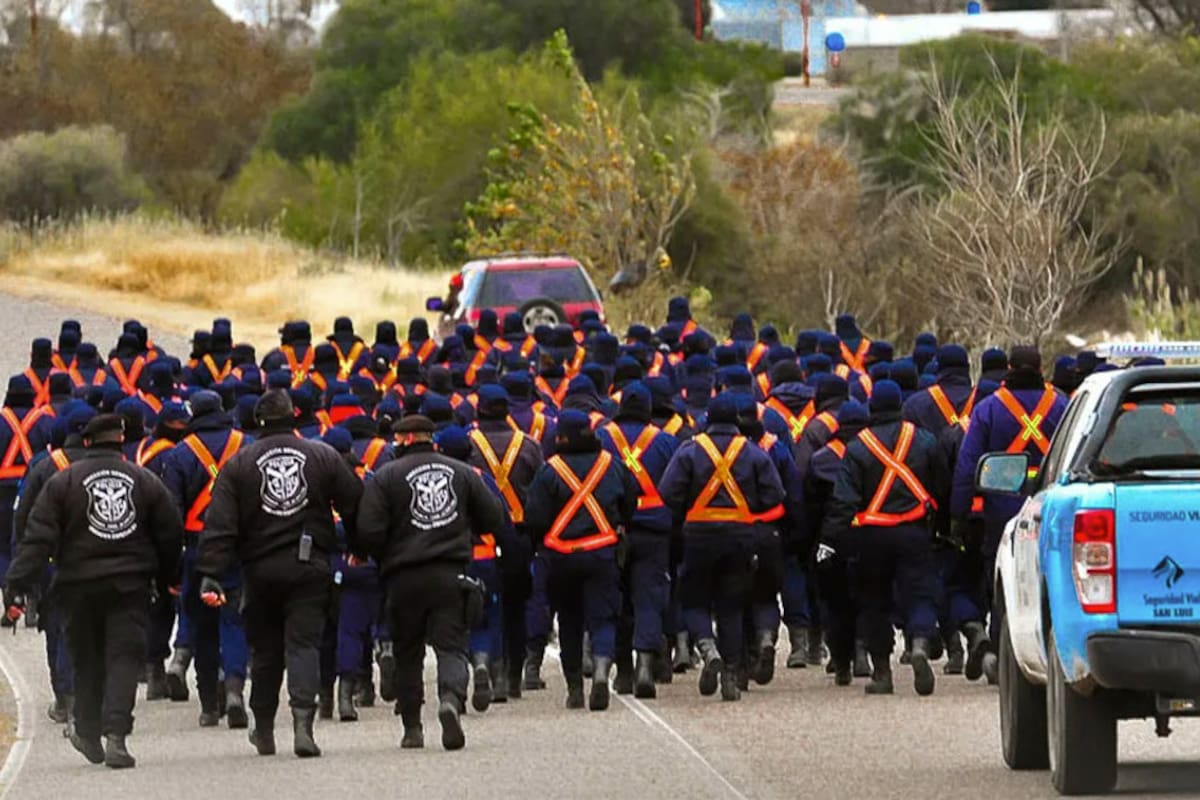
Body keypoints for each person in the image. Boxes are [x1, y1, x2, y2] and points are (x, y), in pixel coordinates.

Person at [5, 414, 184, 769]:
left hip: (77, 586)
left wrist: (17, 586)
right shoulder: (143, 480)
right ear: (121, 441)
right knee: (123, 657)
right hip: (130, 585)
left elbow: (37, 537)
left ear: (87, 443)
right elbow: (170, 532)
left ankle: (87, 730)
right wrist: (167, 578)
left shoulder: (63, 482)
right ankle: (116, 735)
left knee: (86, 660)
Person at [196, 390, 363, 759]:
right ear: (294, 416)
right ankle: (303, 725)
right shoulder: (323, 455)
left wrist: (211, 572)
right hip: (310, 567)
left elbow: (220, 524)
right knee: (303, 645)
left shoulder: (239, 464)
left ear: (257, 423)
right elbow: (355, 503)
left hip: (260, 570)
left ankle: (265, 728)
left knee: (266, 651)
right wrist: (359, 546)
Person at [355, 414, 504, 749]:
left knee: (408, 651)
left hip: (403, 576)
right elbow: (494, 516)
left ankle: (412, 727)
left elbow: (369, 532)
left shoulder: (385, 477)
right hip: (450, 573)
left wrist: (387, 554)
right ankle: (450, 699)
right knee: (451, 646)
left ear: (405, 440)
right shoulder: (463, 472)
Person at [818, 381, 948, 696]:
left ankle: (882, 672)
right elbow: (941, 486)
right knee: (920, 594)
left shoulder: (858, 447)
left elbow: (844, 500)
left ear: (871, 408)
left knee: (873, 602)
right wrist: (942, 528)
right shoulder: (924, 440)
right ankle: (918, 643)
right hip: (914, 532)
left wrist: (831, 540)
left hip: (871, 536)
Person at [658, 394, 786, 701]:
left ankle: (707, 647)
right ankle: (731, 673)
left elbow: (667, 492)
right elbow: (775, 494)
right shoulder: (753, 453)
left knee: (694, 600)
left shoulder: (690, 450)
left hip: (699, 534)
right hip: (741, 535)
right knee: (732, 605)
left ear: (708, 420)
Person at [951, 346, 1067, 682]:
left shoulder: (989, 409)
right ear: (1041, 367)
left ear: (1009, 369)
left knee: (1004, 582)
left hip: (1003, 507)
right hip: (1052, 505)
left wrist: (959, 514)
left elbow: (967, 466)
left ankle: (1004, 660)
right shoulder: (1061, 405)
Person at [525, 410, 638, 711]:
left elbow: (534, 517)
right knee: (603, 618)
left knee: (569, 622)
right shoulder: (611, 465)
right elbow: (631, 501)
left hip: (560, 556)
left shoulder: (550, 470)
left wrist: (542, 542)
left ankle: (575, 687)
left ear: (559, 437)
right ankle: (601, 670)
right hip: (602, 552)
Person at [162, 390, 251, 729]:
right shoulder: (247, 445)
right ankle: (234, 690)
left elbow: (171, 513)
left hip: (197, 549)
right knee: (235, 621)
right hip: (237, 548)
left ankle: (209, 705)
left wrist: (171, 565)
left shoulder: (181, 454)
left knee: (202, 626)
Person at [596, 383, 680, 698]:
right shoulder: (667, 442)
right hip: (655, 532)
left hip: (613, 530)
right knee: (649, 599)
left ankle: (624, 671)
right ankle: (647, 663)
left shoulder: (602, 438)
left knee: (616, 600)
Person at [467, 385, 544, 700]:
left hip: (477, 536)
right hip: (519, 536)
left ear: (479, 410)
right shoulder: (530, 446)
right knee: (516, 607)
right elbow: (539, 495)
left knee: (480, 606)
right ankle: (513, 675)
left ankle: (490, 666)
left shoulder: (467, 445)